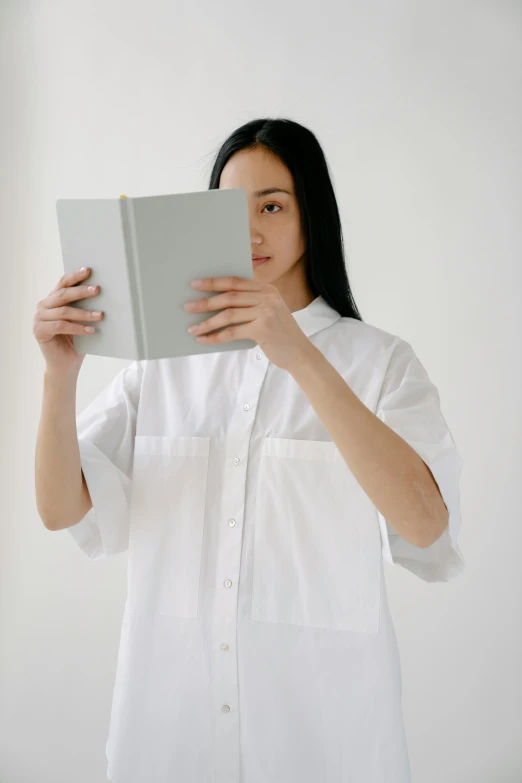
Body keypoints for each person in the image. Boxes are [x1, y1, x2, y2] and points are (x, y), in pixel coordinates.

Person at [34, 117, 465, 783]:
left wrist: (299, 355)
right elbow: (62, 508)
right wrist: (59, 376)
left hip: (323, 741)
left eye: (272, 205)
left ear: (311, 213)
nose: (251, 230)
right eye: (231, 210)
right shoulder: (162, 366)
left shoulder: (381, 362)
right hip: (169, 734)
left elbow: (427, 525)